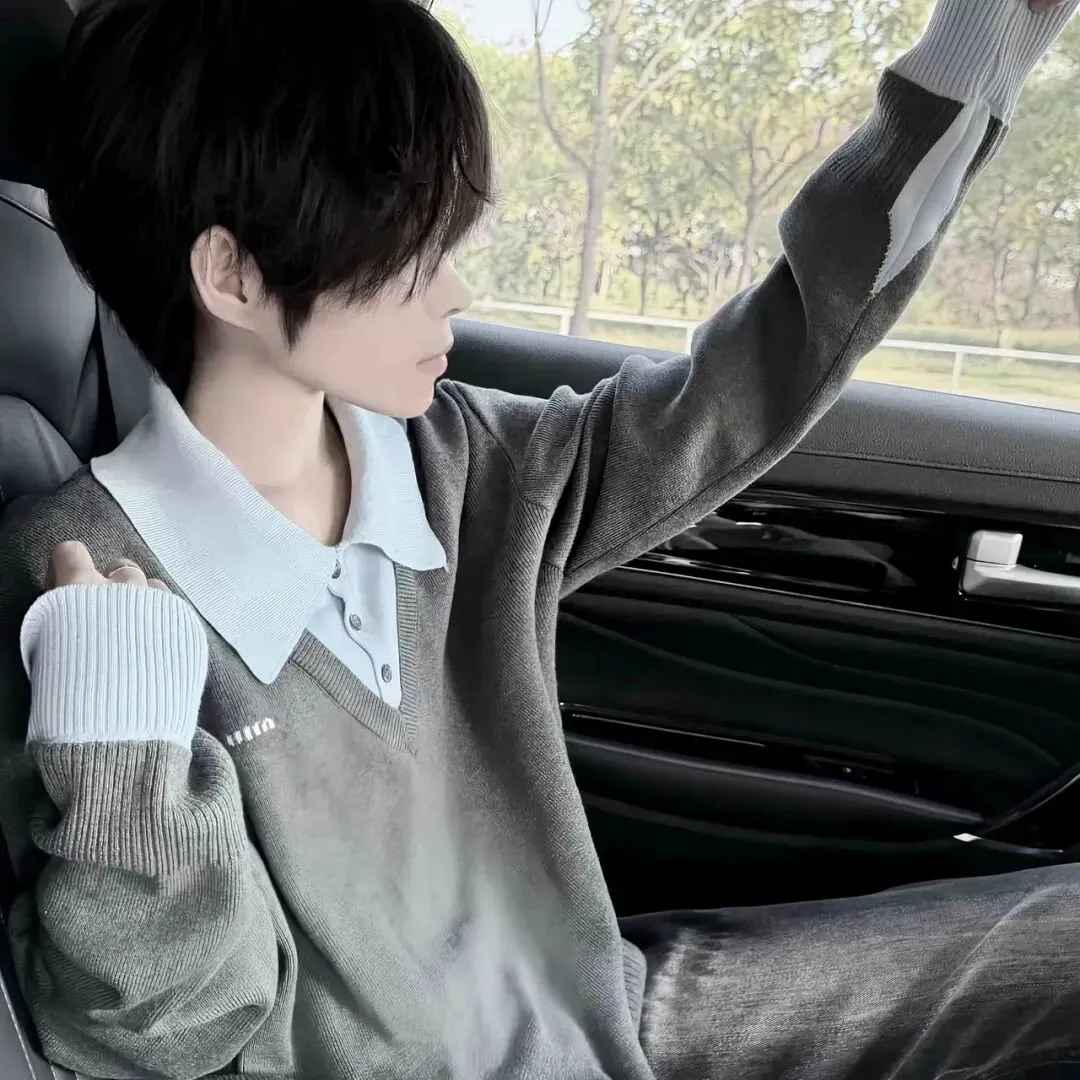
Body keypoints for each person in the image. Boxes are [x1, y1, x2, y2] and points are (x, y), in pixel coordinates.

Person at [0, 0, 1077, 1077]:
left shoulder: (460, 459)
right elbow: (168, 1034)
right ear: (234, 274)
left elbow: (751, 380)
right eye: (409, 252)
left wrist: (976, 48)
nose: (455, 288)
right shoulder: (81, 576)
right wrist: (123, 765)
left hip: (599, 1020)